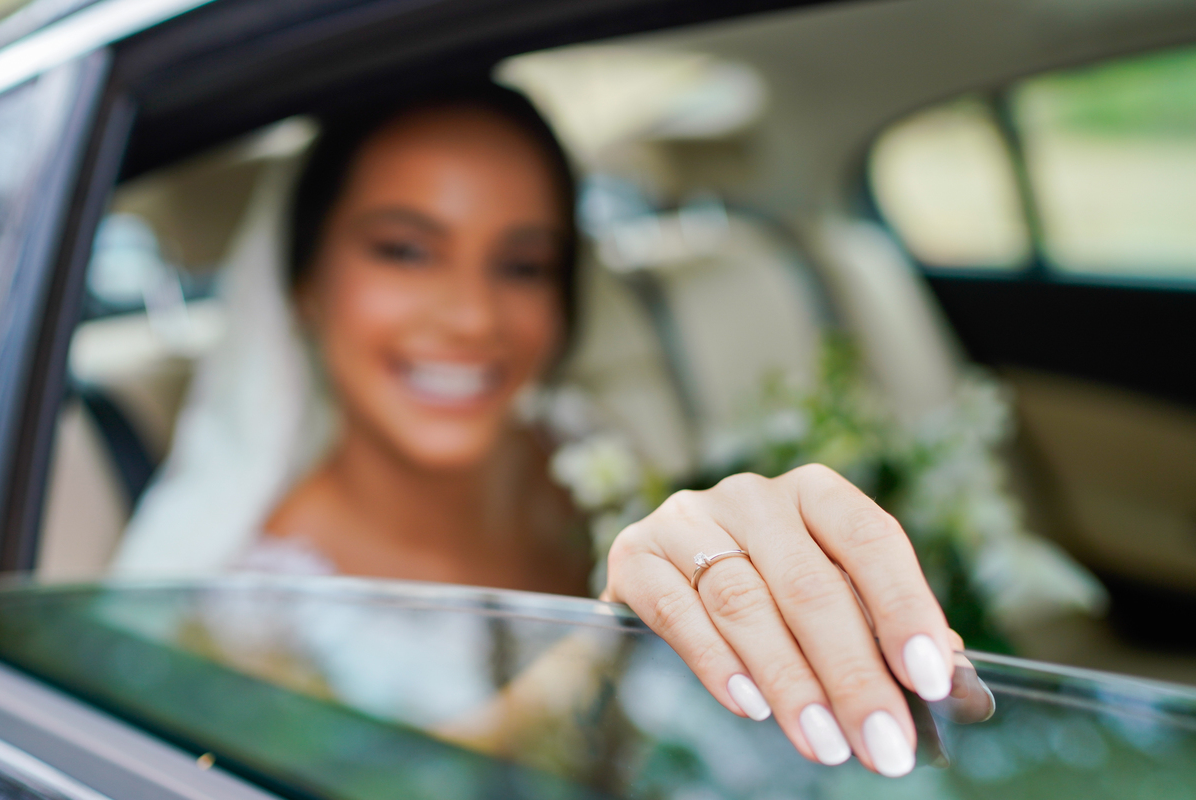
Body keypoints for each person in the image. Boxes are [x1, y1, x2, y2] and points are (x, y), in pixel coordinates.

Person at [114, 82, 962, 779]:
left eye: (522, 265)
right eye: (405, 250)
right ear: (304, 284)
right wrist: (607, 644)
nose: (473, 317)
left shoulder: (587, 445)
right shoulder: (243, 614)